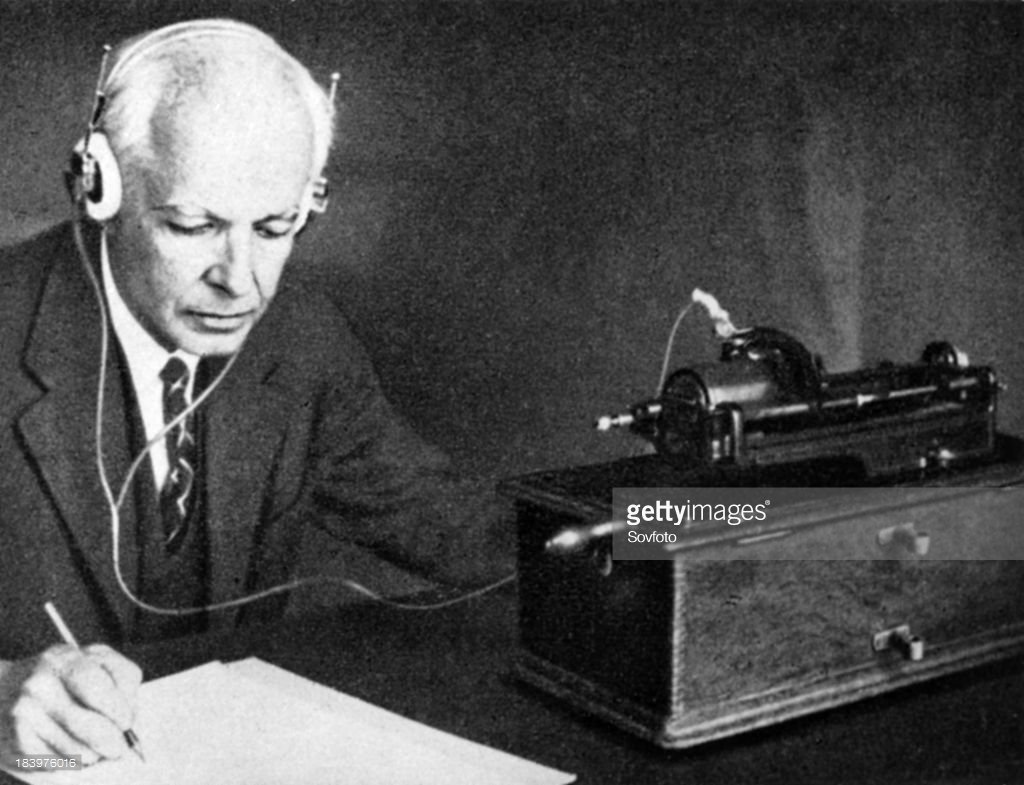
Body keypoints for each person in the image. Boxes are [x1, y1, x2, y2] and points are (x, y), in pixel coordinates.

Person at [0, 19, 513, 766]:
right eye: (191, 225)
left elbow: (477, 530)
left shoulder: (301, 340)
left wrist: (692, 520)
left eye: (276, 227)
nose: (239, 281)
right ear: (100, 189)